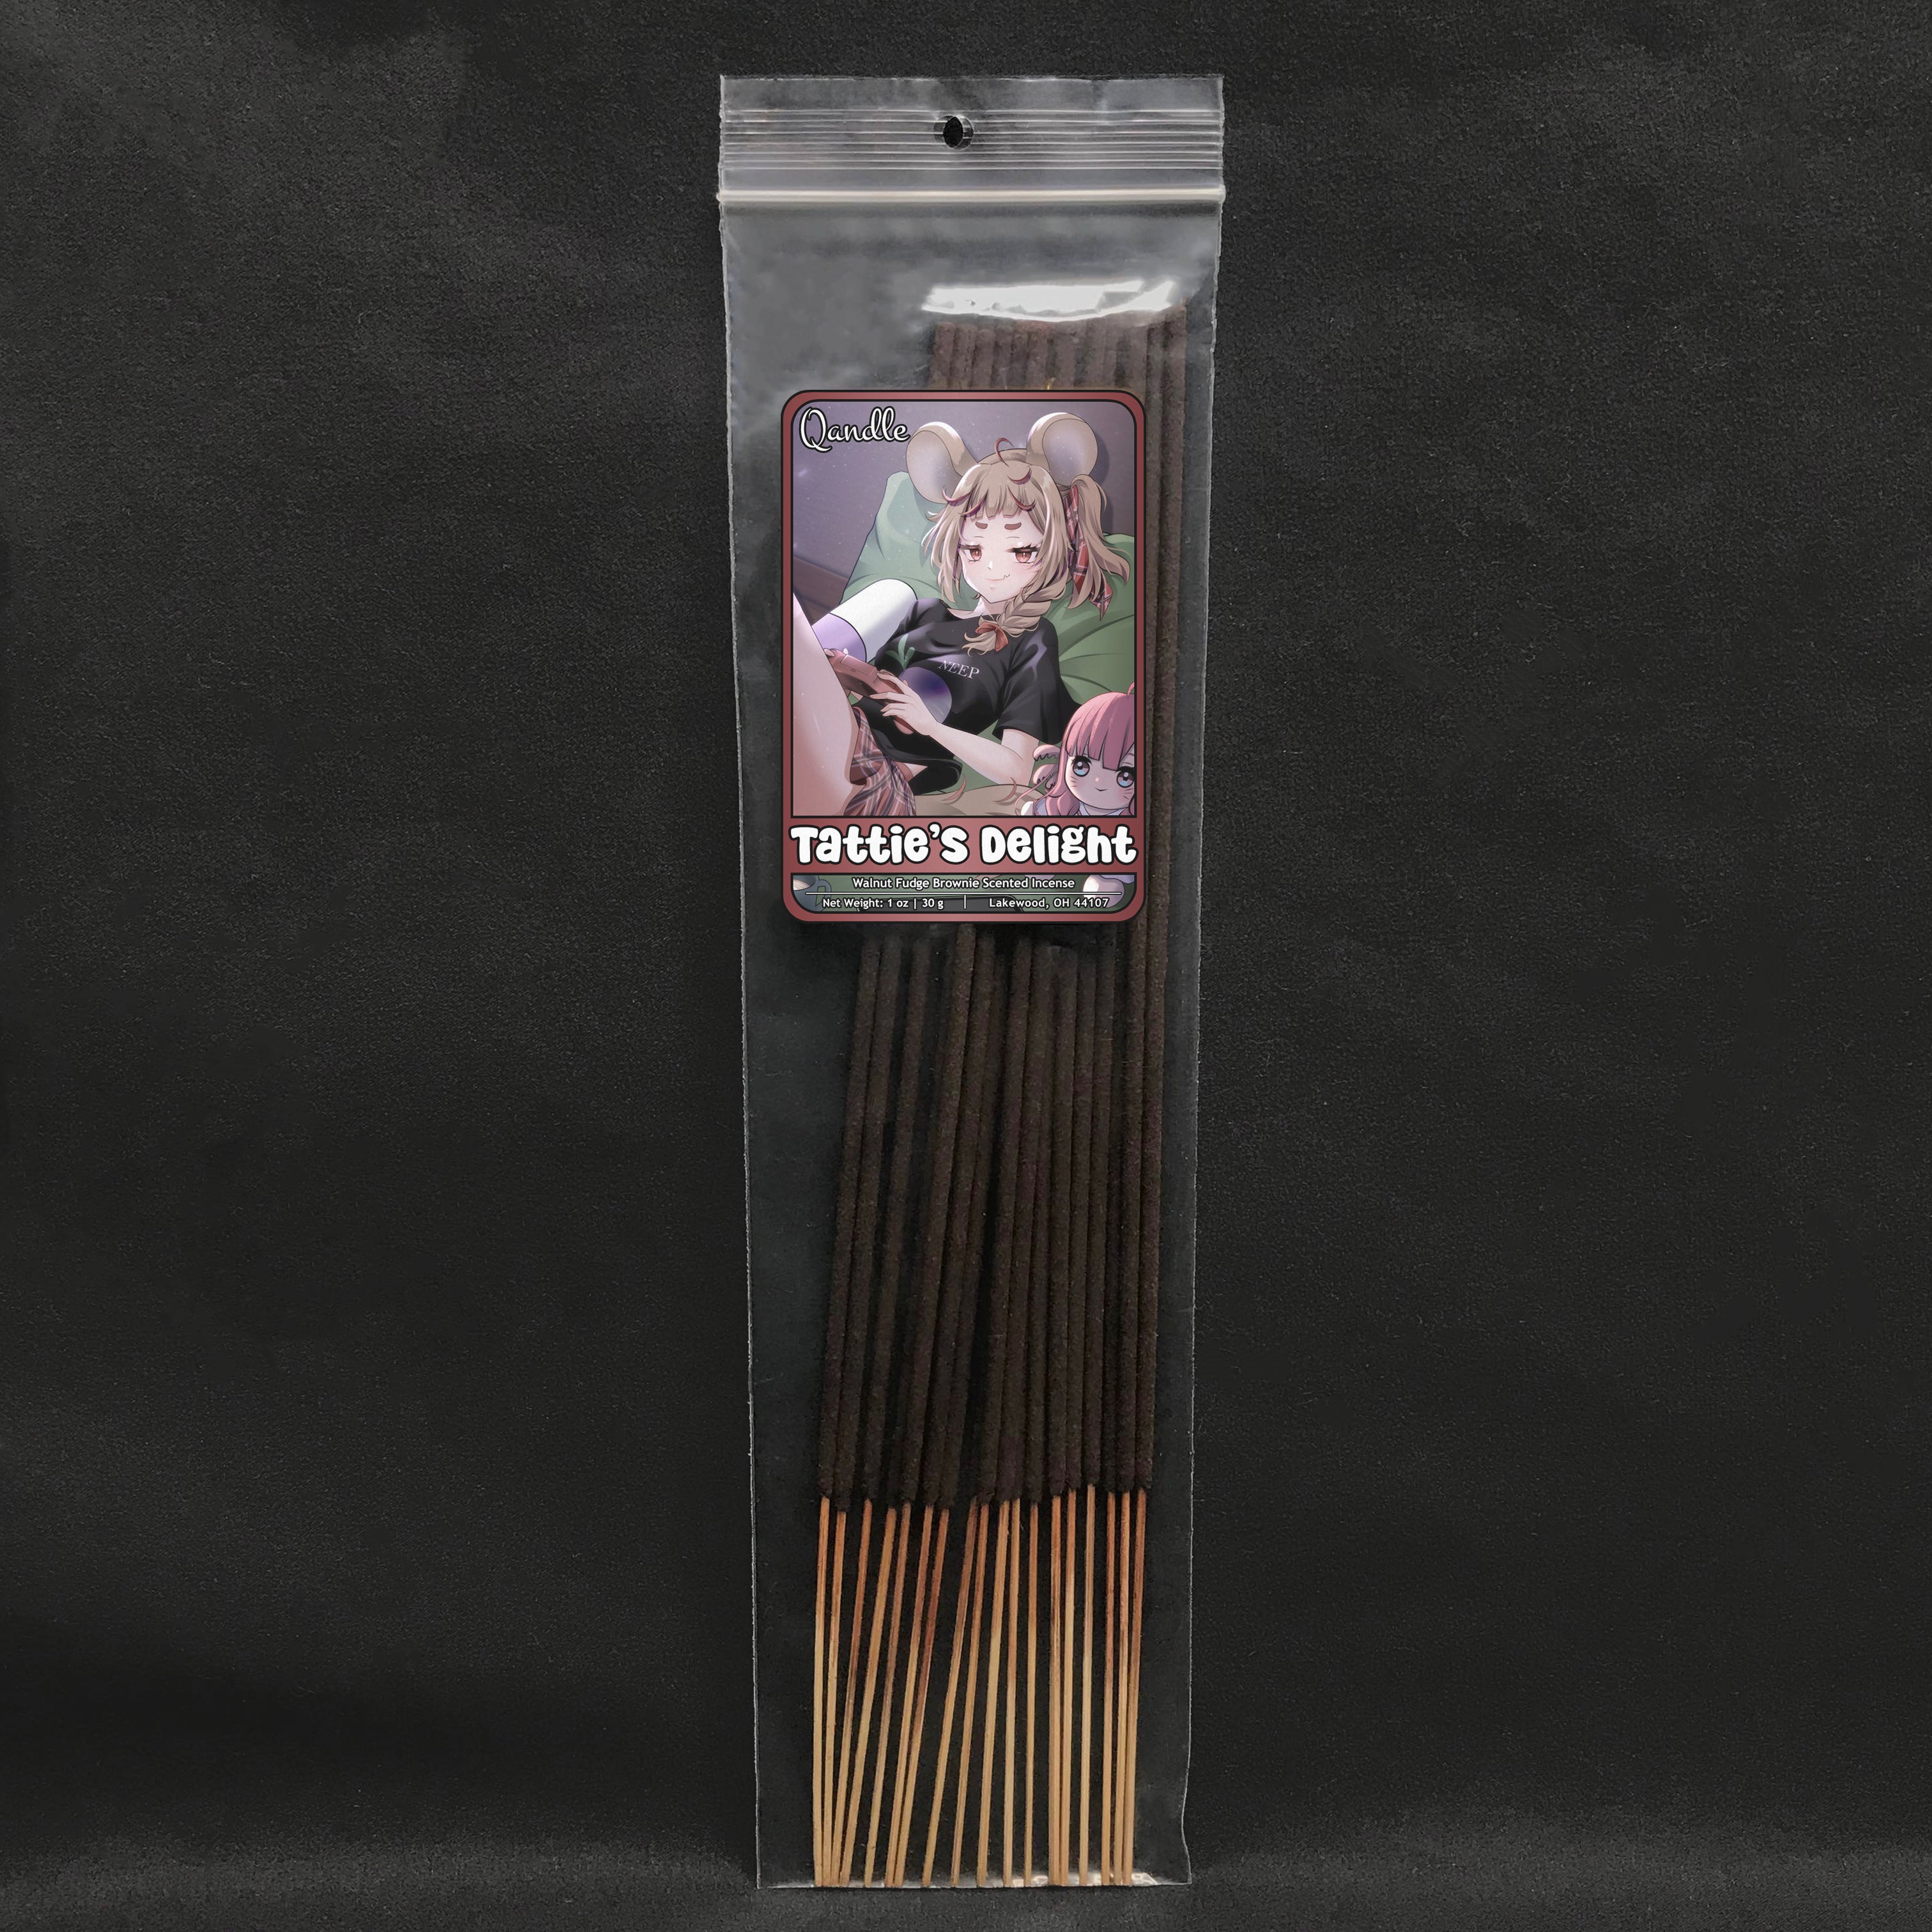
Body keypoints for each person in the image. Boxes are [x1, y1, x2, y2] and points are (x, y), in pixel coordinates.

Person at [790, 412, 1129, 818]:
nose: (991, 568)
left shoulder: (1032, 641)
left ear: (1053, 550)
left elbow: (1016, 770)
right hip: (834, 730)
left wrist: (930, 725)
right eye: (974, 549)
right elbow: (868, 691)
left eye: (1021, 551)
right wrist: (843, 670)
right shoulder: (924, 612)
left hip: (877, 779)